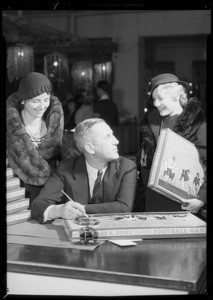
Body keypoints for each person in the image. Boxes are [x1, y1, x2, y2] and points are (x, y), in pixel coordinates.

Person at [31, 118, 137, 223]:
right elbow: (38, 206)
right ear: (90, 148)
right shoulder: (66, 168)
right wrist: (59, 210)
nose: (116, 141)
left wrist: (81, 209)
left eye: (112, 135)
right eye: (108, 137)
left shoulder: (127, 167)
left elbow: (124, 208)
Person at [136, 73, 206, 215]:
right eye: (154, 99)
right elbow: (142, 157)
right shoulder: (150, 123)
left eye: (160, 98)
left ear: (176, 95)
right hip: (152, 199)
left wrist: (202, 198)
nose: (156, 104)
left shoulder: (198, 126)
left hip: (185, 201)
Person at [6, 72, 64, 203]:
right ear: (23, 100)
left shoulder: (53, 124)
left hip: (51, 193)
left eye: (46, 100)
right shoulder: (11, 127)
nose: (42, 106)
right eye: (36, 101)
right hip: (19, 194)